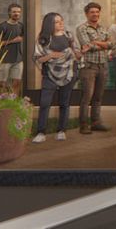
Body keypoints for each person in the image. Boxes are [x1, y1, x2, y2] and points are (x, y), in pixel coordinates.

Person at [31, 11, 77, 143]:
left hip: (68, 73)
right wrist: (51, 56)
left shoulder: (69, 36)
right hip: (49, 75)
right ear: (49, 24)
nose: (61, 23)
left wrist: (77, 53)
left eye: (61, 20)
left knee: (64, 103)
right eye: (57, 21)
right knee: (45, 104)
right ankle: (41, 132)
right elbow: (38, 59)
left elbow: (75, 53)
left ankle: (61, 131)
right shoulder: (43, 40)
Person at [75, 2, 112, 132]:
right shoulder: (82, 28)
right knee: (87, 96)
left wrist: (95, 42)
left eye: (97, 12)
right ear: (86, 14)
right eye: (92, 12)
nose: (95, 14)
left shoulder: (103, 28)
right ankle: (84, 125)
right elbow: (87, 46)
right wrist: (102, 44)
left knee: (98, 97)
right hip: (89, 67)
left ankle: (96, 122)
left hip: (103, 66)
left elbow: (111, 44)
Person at [0, 4, 26, 97]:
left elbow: (21, 37)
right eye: (14, 12)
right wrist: (12, 41)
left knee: (17, 82)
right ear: (9, 13)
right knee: (1, 83)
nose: (17, 14)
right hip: (5, 59)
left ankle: (13, 103)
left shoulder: (21, 26)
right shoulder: (2, 26)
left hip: (18, 60)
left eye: (19, 12)